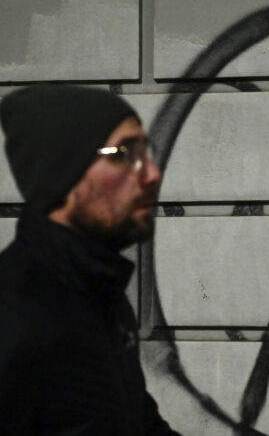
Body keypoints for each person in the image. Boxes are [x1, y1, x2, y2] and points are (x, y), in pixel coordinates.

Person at [0, 85, 180, 435]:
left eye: (147, 151)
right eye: (124, 153)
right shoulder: (15, 320)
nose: (152, 173)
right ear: (62, 175)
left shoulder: (102, 297)